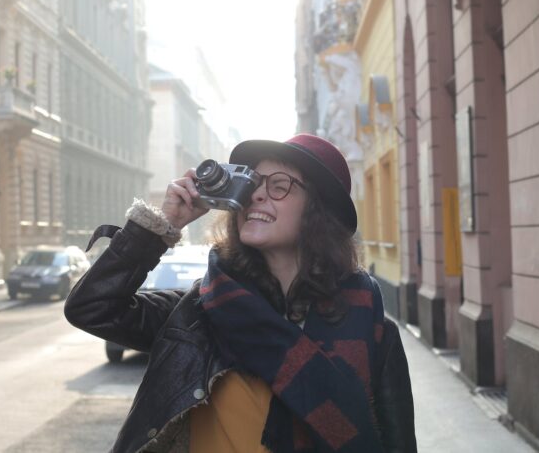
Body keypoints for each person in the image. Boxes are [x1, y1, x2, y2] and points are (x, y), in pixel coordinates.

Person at [64, 134, 417, 453]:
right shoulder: (202, 312)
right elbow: (92, 306)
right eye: (252, 184)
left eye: (280, 185)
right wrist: (162, 225)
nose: (258, 194)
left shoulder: (373, 333)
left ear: (318, 210)